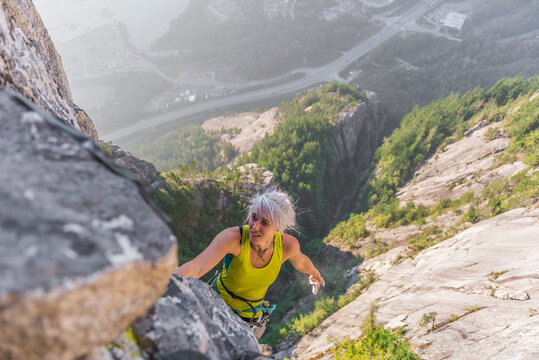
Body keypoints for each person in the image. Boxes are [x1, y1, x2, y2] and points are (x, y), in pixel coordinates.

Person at [174, 188, 325, 339]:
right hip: (216, 304)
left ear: (278, 227)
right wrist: (167, 282)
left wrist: (315, 274)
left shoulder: (287, 246)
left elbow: (302, 262)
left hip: (250, 318)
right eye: (254, 217)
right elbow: (197, 267)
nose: (255, 227)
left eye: (265, 222)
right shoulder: (233, 238)